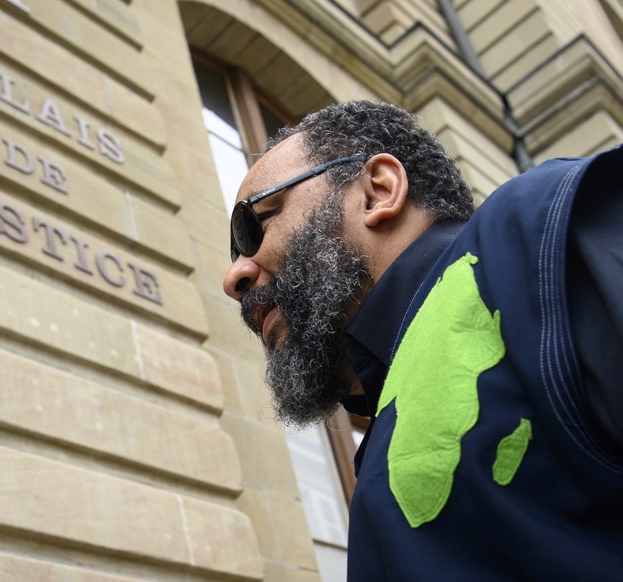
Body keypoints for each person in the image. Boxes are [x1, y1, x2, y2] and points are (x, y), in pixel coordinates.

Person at [223, 100, 623, 580]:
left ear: (379, 191)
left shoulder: (533, 233)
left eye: (255, 225)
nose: (235, 276)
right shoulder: (385, 429)